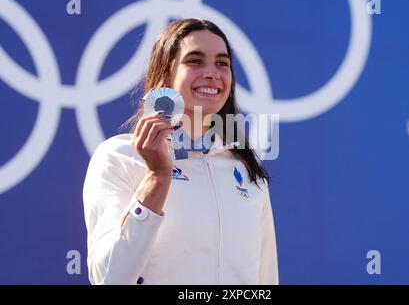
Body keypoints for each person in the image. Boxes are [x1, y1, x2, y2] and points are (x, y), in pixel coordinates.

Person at [83, 18, 278, 285]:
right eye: (195, 61)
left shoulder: (245, 166)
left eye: (222, 63)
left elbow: (265, 278)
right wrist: (157, 177)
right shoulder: (118, 157)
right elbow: (109, 279)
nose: (212, 73)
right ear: (165, 75)